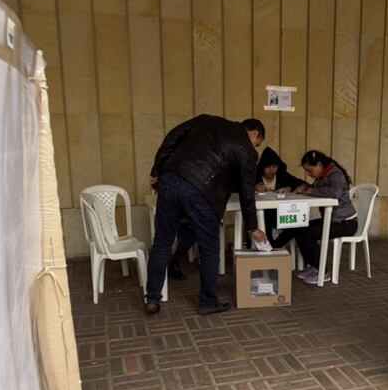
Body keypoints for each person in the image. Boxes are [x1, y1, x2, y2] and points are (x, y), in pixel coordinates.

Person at [145, 115, 268, 314]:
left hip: (170, 179)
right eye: (257, 143)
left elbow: (172, 136)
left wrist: (158, 169)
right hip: (201, 191)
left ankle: (152, 298)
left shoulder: (206, 120)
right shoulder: (247, 150)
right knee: (209, 249)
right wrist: (253, 226)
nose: (255, 147)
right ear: (254, 134)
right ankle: (208, 302)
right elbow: (247, 192)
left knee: (161, 242)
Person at [272, 150, 357, 285]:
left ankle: (323, 272)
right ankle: (312, 266)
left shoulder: (335, 174)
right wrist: (300, 187)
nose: (308, 174)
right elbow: (317, 188)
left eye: (309, 170)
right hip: (331, 220)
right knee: (300, 228)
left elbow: (334, 193)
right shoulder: (323, 175)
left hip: (346, 223)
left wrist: (312, 191)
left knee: (308, 233)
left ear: (318, 165)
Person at [253, 147, 305, 240]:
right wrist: (253, 188)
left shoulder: (283, 176)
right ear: (262, 167)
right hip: (260, 217)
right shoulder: (255, 177)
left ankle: (275, 247)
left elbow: (302, 184)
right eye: (268, 167)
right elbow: (240, 187)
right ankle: (271, 247)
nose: (271, 170)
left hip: (282, 214)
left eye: (274, 167)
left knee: (299, 223)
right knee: (265, 220)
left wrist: (289, 188)